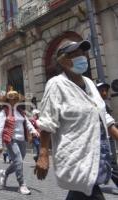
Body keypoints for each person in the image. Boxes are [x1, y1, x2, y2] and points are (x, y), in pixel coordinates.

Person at [34, 39, 118, 199]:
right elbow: (47, 122)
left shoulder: (89, 83)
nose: (82, 57)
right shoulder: (56, 85)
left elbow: (102, 115)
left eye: (82, 53)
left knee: (83, 192)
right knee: (88, 191)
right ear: (62, 59)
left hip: (98, 152)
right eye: (75, 54)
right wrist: (43, 154)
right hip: (76, 156)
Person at [0, 87, 39, 195]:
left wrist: (33, 131)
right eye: (11, 98)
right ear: (8, 100)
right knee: (18, 160)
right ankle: (22, 185)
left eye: (15, 98)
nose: (14, 100)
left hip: (21, 139)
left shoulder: (20, 111)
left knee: (18, 162)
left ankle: (5, 173)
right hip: (11, 139)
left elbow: (27, 123)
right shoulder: (4, 112)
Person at [96, 81, 118, 188]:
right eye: (101, 91)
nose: (104, 93)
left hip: (107, 142)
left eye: (106, 90)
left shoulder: (104, 104)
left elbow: (109, 122)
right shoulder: (95, 104)